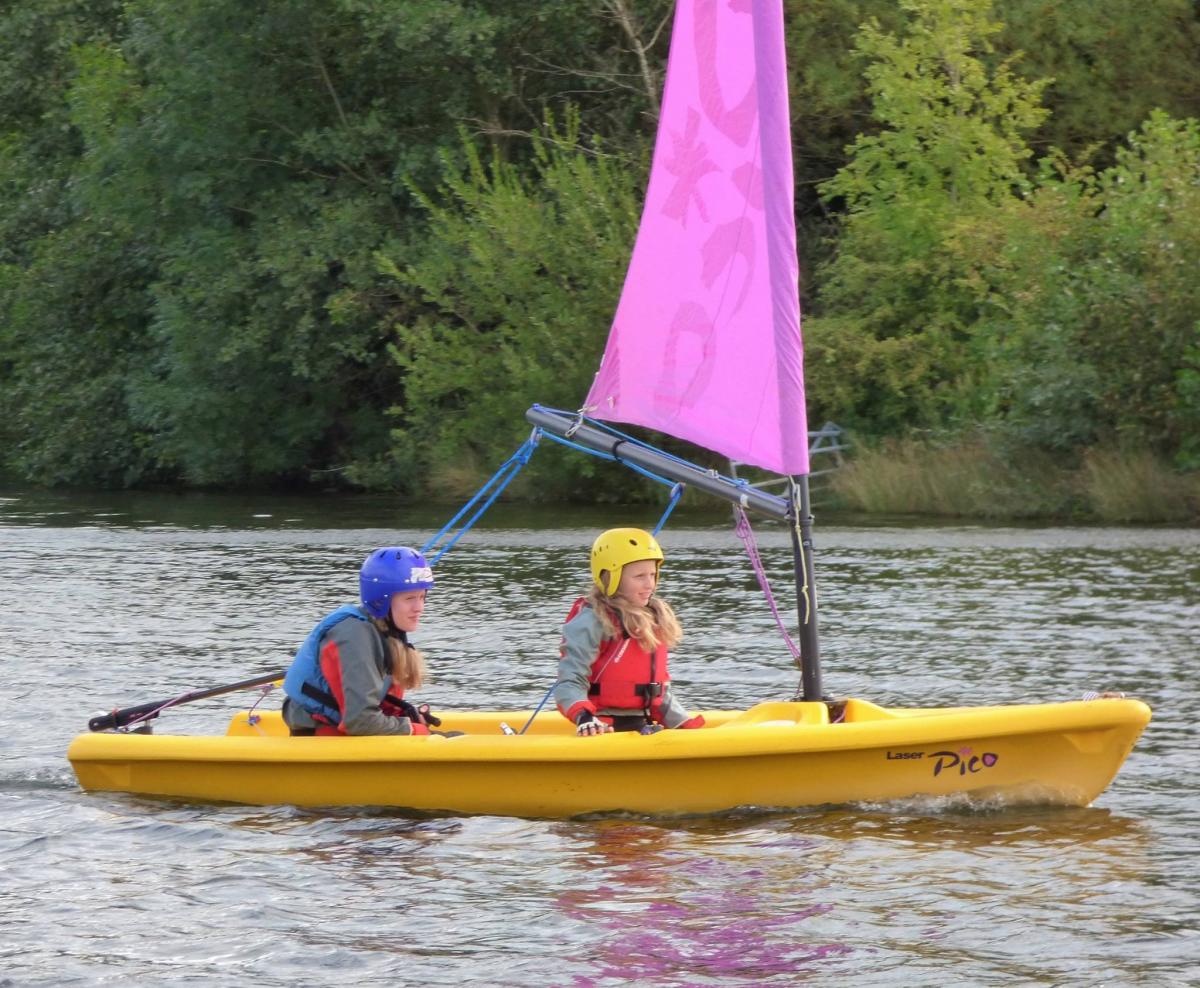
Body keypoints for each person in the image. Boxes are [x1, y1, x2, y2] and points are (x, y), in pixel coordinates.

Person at [282, 546, 447, 737]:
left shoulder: (385, 630)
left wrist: (406, 717)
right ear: (381, 600)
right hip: (321, 738)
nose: (419, 608)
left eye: (422, 597)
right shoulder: (354, 636)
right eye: (409, 598)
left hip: (342, 731)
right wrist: (411, 729)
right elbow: (360, 721)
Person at [555, 528, 705, 736]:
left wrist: (683, 725)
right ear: (611, 578)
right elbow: (569, 682)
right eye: (639, 576)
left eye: (653, 575)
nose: (649, 584)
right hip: (602, 729)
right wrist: (585, 717)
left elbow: (659, 692)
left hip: (642, 725)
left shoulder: (652, 618)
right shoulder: (592, 621)